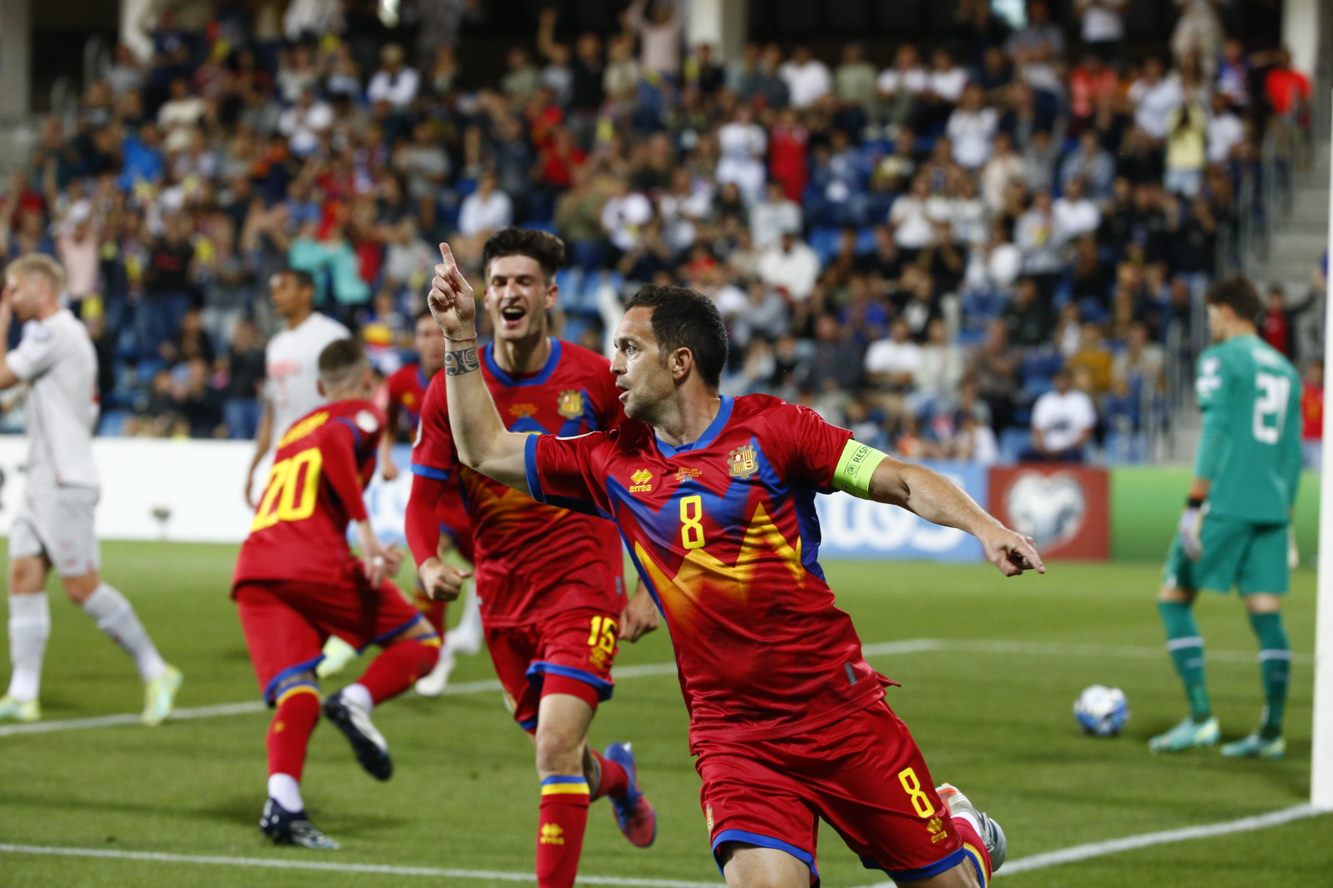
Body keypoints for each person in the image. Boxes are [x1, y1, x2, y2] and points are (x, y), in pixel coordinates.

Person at [428, 244, 1046, 888]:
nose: (612, 366)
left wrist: (985, 525)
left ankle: (963, 829)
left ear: (679, 362)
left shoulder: (776, 431)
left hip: (838, 715)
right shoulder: (609, 461)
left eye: (629, 350)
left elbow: (901, 480)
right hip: (733, 735)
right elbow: (484, 448)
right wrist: (459, 337)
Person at [407, 229, 658, 888]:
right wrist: (425, 560)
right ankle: (619, 778)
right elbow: (422, 499)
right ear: (483, 297)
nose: (509, 293)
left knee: (552, 748)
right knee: (563, 755)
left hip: (583, 589)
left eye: (524, 282)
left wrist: (647, 588)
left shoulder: (597, 384)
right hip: (502, 600)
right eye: (498, 282)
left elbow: (649, 486)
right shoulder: (451, 390)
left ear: (549, 294)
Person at [233, 338, 441, 849]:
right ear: (369, 379)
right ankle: (355, 700)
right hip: (312, 565)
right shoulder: (361, 415)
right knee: (422, 643)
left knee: (297, 688)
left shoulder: (294, 430)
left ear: (322, 386)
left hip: (258, 570)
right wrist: (367, 535)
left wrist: (358, 540)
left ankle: (283, 805)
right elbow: (337, 446)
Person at [0, 254, 181, 724]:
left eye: (13, 290)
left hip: (65, 480)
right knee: (24, 577)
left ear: (42, 289)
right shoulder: (63, 338)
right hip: (42, 478)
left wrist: (1, 325)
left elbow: (2, 377)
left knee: (81, 587)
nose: (9, 298)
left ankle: (157, 669)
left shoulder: (53, 331)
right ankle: (23, 692)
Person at [1150, 278, 1303, 759]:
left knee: (1173, 598)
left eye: (1212, 313)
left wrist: (1195, 505)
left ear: (1227, 311)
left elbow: (1214, 432)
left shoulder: (1221, 359)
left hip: (1227, 503)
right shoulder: (1285, 369)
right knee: (1266, 611)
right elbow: (1292, 454)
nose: (1210, 322)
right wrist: (1288, 518)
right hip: (1273, 509)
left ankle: (1201, 719)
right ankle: (1273, 730)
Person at [241, 268, 354, 676]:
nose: (276, 295)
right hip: (283, 457)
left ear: (308, 291)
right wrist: (256, 464)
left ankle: (343, 629)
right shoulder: (276, 346)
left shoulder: (329, 335)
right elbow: (273, 408)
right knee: (283, 546)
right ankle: (307, 627)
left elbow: (354, 389)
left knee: (326, 542)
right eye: (273, 288)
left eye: (284, 287)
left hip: (322, 455)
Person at [381, 311, 482, 696]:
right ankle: (438, 655)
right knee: (430, 564)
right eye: (421, 333)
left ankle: (472, 632)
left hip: (475, 490)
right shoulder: (401, 382)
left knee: (492, 569)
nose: (428, 340)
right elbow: (389, 421)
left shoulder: (469, 377)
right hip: (437, 491)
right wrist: (388, 455)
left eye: (434, 333)